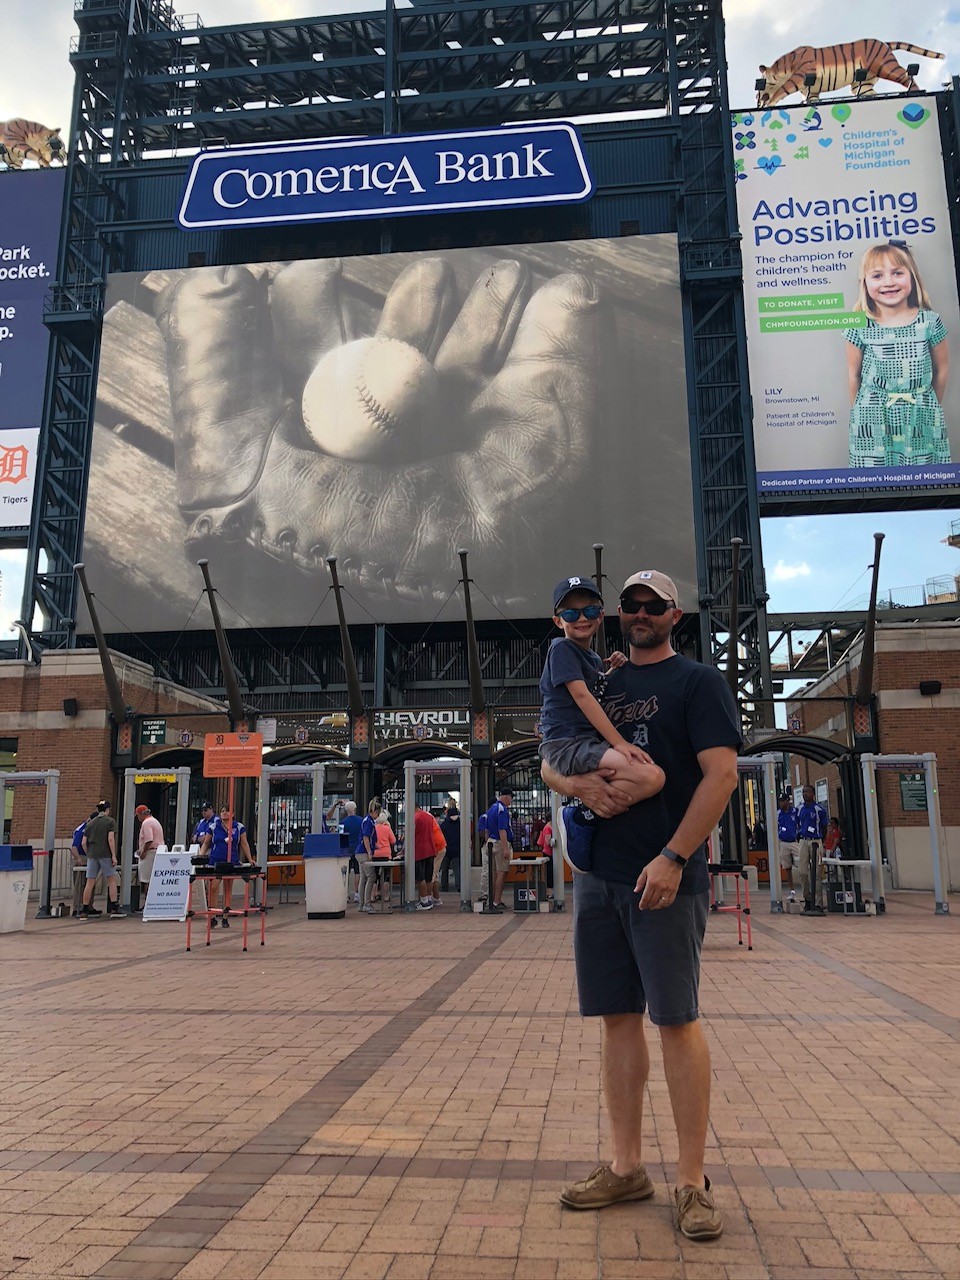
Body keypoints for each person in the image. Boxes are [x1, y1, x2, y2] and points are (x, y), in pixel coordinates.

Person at [541, 569, 740, 1241]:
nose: (642, 612)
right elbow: (547, 758)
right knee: (617, 1021)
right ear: (618, 613)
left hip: (665, 877)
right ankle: (627, 1166)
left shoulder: (697, 683)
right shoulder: (602, 679)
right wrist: (575, 788)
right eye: (633, 604)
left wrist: (676, 857)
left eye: (655, 604)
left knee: (676, 1021)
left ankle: (691, 1181)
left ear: (676, 614)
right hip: (599, 877)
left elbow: (722, 777)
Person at [845, 242, 950, 469]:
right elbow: (853, 376)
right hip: (872, 418)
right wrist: (862, 413)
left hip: (922, 415)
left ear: (912, 277)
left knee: (924, 481)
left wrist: (926, 403)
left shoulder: (930, 322)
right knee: (875, 485)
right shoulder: (858, 325)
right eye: (877, 275)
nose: (889, 282)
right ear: (864, 283)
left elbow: (941, 371)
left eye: (897, 273)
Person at [200, 805, 253, 928]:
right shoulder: (213, 826)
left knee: (228, 888)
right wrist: (201, 856)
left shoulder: (239, 827)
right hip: (215, 861)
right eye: (222, 811)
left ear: (233, 813)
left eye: (227, 811)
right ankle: (212, 915)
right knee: (213, 887)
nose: (224, 813)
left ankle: (225, 916)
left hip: (231, 861)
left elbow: (244, 844)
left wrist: (250, 859)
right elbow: (206, 843)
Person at [80, 801, 125, 918]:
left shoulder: (90, 823)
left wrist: (88, 853)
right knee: (111, 880)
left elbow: (84, 842)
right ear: (107, 810)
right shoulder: (110, 821)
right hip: (105, 854)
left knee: (90, 882)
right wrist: (114, 855)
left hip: (92, 855)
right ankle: (114, 907)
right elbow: (111, 839)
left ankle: (84, 909)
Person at [797, 785, 828, 914]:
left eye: (808, 792)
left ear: (813, 794)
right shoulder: (799, 809)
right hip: (804, 840)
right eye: (804, 792)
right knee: (803, 872)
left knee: (817, 873)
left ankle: (818, 902)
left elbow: (824, 827)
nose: (805, 794)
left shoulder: (819, 809)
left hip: (816, 841)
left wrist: (822, 841)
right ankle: (808, 899)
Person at [484, 787, 515, 912]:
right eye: (511, 798)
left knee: (493, 873)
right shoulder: (502, 810)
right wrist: (505, 848)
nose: (511, 801)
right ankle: (496, 901)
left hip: (491, 843)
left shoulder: (492, 809)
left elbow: (486, 829)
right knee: (502, 873)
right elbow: (502, 829)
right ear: (507, 796)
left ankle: (491, 900)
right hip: (499, 843)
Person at [413, 802, 444, 911]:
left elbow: (412, 834)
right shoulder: (428, 816)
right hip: (431, 848)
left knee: (420, 877)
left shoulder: (415, 817)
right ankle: (429, 899)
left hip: (419, 850)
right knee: (429, 876)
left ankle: (424, 901)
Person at [134, 804, 165, 909]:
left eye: (138, 815)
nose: (138, 818)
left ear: (141, 814)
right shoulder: (155, 821)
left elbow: (149, 839)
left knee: (147, 879)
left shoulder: (146, 823)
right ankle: (155, 902)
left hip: (151, 853)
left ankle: (148, 904)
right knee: (155, 878)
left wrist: (143, 852)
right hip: (159, 851)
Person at [358, 799, 386, 912]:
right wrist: (370, 851)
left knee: (363, 878)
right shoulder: (369, 822)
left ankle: (361, 903)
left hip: (360, 852)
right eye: (378, 813)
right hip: (364, 852)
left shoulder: (367, 820)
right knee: (371, 877)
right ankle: (367, 903)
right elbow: (366, 837)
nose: (378, 816)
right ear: (374, 811)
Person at [71, 811, 98, 917]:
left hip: (89, 857)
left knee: (90, 883)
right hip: (82, 857)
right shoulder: (82, 830)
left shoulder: (90, 828)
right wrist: (78, 858)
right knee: (80, 884)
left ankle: (89, 906)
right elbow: (74, 847)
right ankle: (78, 907)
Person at [339, 801, 364, 902]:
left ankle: (345, 893)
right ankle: (357, 893)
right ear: (355, 808)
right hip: (358, 849)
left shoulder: (342, 822)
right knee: (358, 871)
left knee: (346, 872)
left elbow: (340, 837)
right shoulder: (361, 821)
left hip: (346, 850)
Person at [776, 793, 801, 895]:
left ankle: (805, 884)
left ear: (787, 801)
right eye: (780, 801)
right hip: (783, 841)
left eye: (783, 801)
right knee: (787, 867)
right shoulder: (778, 814)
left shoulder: (795, 812)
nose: (781, 803)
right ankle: (792, 889)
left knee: (801, 862)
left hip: (794, 841)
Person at [437, 802, 461, 893]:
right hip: (457, 850)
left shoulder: (444, 825)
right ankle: (459, 886)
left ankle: (444, 887)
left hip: (445, 850)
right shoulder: (460, 824)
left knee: (444, 869)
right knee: (457, 869)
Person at [537, 814, 555, 901]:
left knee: (551, 872)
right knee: (549, 872)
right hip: (548, 853)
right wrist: (555, 841)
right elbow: (547, 842)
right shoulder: (548, 828)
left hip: (550, 853)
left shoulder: (549, 827)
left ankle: (550, 891)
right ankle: (549, 892)